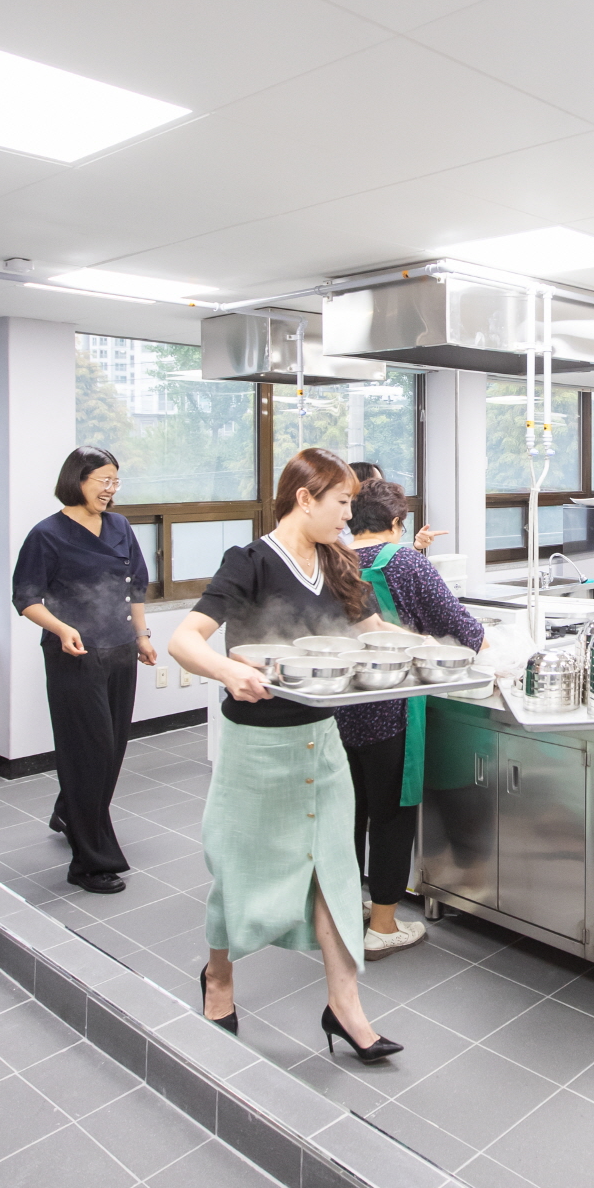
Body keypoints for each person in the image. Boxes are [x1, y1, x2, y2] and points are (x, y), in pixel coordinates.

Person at [167, 449, 403, 1062]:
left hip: (322, 740)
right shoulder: (248, 562)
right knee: (239, 867)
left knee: (335, 870)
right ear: (305, 498)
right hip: (258, 745)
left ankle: (345, 1008)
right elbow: (184, 640)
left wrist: (446, 651)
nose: (348, 517)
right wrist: (228, 671)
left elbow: (377, 634)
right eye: (342, 502)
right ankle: (219, 978)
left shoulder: (338, 563)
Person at [345, 479, 485, 957]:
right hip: (392, 708)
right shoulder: (404, 561)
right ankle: (384, 926)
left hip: (339, 705)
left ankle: (348, 907)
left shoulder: (333, 559)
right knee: (391, 816)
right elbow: (460, 627)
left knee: (348, 814)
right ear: (395, 523)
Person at [13, 446, 159, 894]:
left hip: (119, 650)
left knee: (110, 748)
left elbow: (135, 587)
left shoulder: (118, 525)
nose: (111, 490)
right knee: (88, 752)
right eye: (104, 481)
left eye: (115, 481)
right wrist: (61, 628)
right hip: (74, 655)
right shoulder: (47, 534)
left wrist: (142, 636)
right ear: (78, 481)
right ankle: (90, 863)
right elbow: (26, 598)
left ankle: (68, 812)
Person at [349, 461, 447, 553]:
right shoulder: (343, 525)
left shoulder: (383, 518)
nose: (382, 487)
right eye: (376, 482)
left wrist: (417, 548)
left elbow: (393, 561)